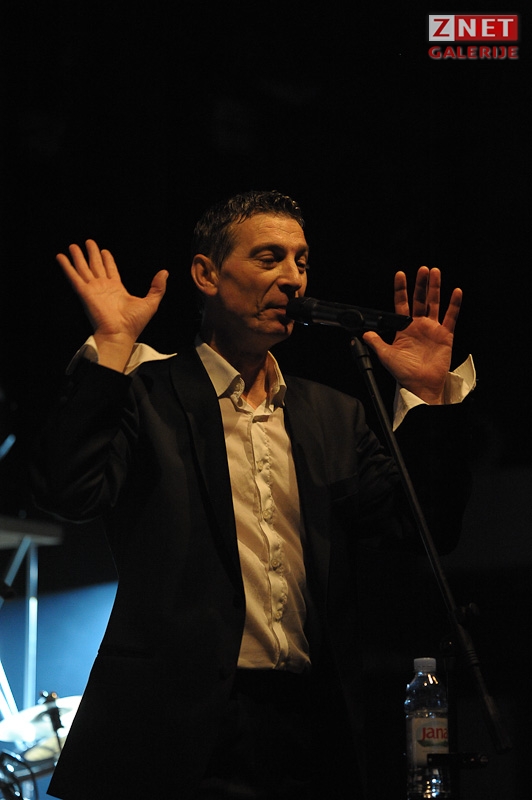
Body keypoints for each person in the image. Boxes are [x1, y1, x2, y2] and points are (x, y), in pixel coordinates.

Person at [30, 190, 475, 799]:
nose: (293, 279)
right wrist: (110, 345)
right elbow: (68, 493)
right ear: (207, 274)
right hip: (176, 729)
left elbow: (426, 530)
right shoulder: (148, 391)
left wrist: (427, 397)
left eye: (302, 262)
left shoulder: (333, 415)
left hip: (308, 727)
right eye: (269, 258)